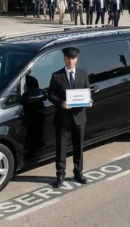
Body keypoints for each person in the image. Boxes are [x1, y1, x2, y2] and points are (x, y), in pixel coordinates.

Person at [46, 47, 92, 188]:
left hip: (79, 117)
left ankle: (78, 172)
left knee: (78, 146)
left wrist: (90, 101)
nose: (70, 61)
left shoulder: (83, 74)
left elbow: (87, 91)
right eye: (68, 58)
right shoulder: (56, 76)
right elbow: (51, 94)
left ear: (76, 59)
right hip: (62, 118)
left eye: (73, 58)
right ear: (64, 59)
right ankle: (60, 175)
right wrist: (61, 103)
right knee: (61, 148)